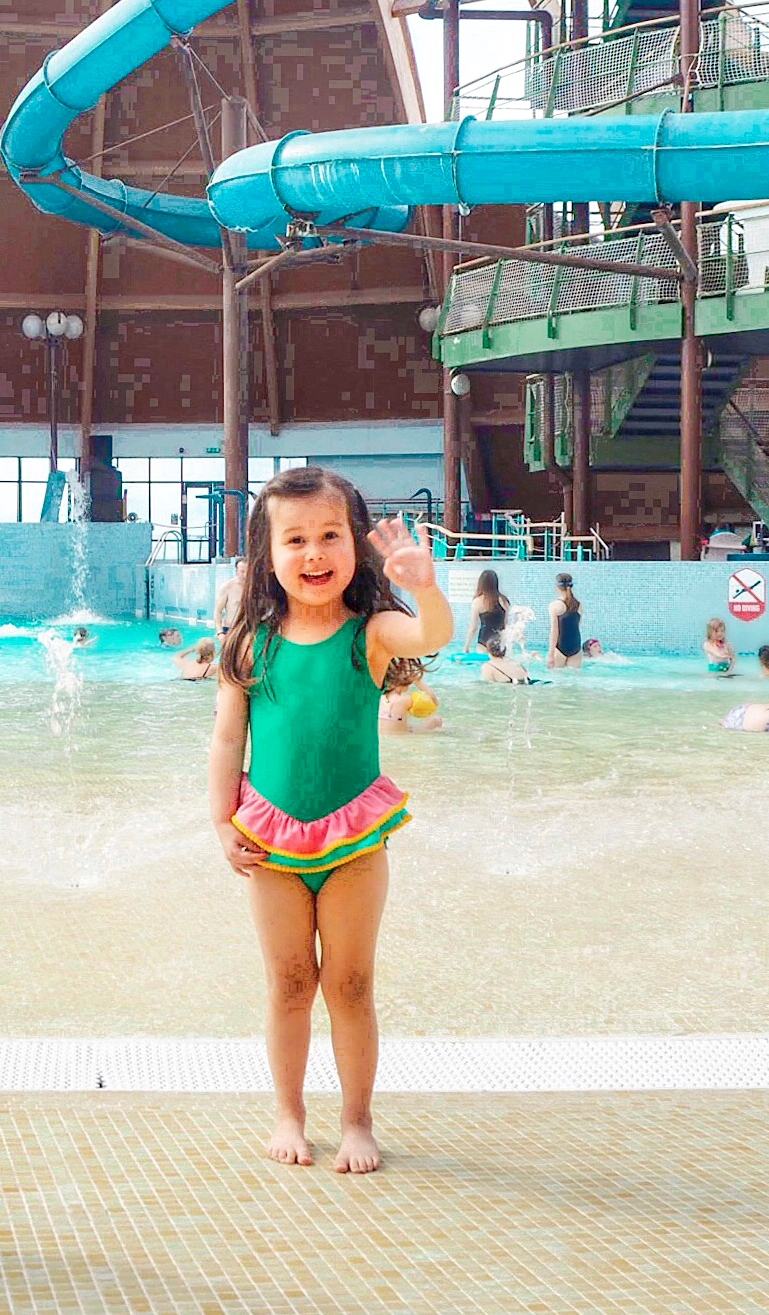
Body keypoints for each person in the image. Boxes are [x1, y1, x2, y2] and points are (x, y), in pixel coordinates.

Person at [209, 467, 453, 1174]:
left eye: (329, 536)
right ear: (268, 555)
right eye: (295, 540)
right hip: (270, 840)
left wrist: (425, 585)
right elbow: (228, 741)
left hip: (353, 843)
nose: (314, 554)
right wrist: (221, 823)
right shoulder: (251, 643)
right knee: (288, 982)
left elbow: (429, 633)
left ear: (355, 546)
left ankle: (356, 1119)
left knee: (349, 983)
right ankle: (289, 1112)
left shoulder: (371, 634)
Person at [379, 657, 441, 734]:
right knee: (435, 720)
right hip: (402, 738)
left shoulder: (377, 698)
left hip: (383, 736)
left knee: (408, 726)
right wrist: (417, 681)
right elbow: (433, 702)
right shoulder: (405, 700)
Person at [462, 568, 509, 654]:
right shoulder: (504, 600)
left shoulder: (477, 602)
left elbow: (473, 628)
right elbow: (506, 625)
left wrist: (466, 647)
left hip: (484, 642)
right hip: (500, 642)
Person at [546, 572, 584, 669]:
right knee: (574, 681)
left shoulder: (554, 605)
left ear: (557, 587)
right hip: (576, 647)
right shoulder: (579, 605)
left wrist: (550, 654)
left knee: (556, 679)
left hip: (560, 647)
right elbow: (577, 626)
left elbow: (554, 631)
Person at [213, 557, 246, 637]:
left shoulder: (255, 589)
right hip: (230, 629)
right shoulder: (227, 587)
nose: (245, 575)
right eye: (242, 571)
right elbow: (217, 611)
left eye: (248, 571)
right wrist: (220, 632)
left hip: (248, 631)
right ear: (236, 572)